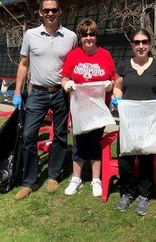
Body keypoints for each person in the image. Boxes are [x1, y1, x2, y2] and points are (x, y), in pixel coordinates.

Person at [12, 0, 78, 200]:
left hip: (60, 93)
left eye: (54, 10)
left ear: (60, 12)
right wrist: (17, 92)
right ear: (40, 13)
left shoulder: (70, 36)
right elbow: (23, 64)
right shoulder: (30, 35)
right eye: (46, 10)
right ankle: (29, 182)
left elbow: (75, 63)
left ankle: (53, 175)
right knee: (29, 136)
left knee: (59, 135)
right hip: (37, 93)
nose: (50, 13)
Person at [112, 28, 156, 216]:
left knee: (146, 158)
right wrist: (117, 98)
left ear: (149, 44)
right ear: (132, 45)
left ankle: (144, 195)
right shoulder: (123, 66)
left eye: (144, 42)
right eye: (136, 42)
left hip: (150, 121)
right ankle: (128, 192)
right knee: (125, 159)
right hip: (129, 121)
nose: (140, 46)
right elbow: (117, 87)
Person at [61, 18, 116, 197]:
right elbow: (65, 77)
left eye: (92, 34)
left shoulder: (105, 55)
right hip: (79, 107)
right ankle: (76, 179)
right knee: (78, 141)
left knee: (95, 141)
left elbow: (114, 77)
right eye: (85, 35)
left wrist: (111, 85)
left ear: (96, 36)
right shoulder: (73, 55)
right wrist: (67, 84)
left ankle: (96, 180)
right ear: (80, 37)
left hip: (98, 107)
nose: (89, 38)